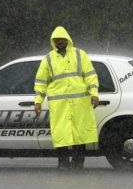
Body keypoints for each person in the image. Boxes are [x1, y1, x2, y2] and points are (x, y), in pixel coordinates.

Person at [34, 26, 99, 170]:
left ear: (68, 39)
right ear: (53, 41)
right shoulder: (48, 59)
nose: (59, 41)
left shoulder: (80, 55)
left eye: (62, 39)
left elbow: (90, 76)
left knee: (79, 134)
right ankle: (63, 163)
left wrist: (94, 93)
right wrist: (38, 102)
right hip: (60, 105)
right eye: (56, 39)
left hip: (79, 103)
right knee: (61, 134)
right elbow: (41, 82)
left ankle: (78, 164)